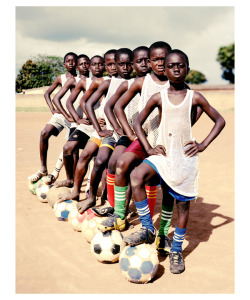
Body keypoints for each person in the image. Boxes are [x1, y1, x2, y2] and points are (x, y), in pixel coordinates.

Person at [122, 49, 226, 274]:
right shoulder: (158, 97)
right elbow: (138, 122)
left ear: (187, 68)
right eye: (171, 66)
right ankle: (148, 229)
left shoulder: (194, 97)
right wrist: (148, 147)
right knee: (136, 176)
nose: (176, 69)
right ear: (165, 70)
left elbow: (219, 120)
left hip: (184, 159)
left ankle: (177, 251)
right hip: (163, 156)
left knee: (182, 206)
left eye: (181, 65)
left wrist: (203, 144)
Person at [97, 41, 172, 232]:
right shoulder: (141, 82)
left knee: (158, 182)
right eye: (156, 59)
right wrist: (128, 133)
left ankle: (160, 231)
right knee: (122, 163)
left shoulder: (177, 84)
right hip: (145, 138)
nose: (160, 63)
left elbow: (193, 109)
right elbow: (116, 106)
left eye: (163, 59)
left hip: (167, 143)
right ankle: (119, 215)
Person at [57, 48, 133, 213]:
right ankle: (79, 192)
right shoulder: (106, 83)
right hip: (107, 131)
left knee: (105, 162)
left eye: (116, 63)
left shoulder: (134, 83)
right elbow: (87, 103)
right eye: (111, 64)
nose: (113, 67)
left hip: (122, 134)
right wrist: (97, 127)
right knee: (86, 155)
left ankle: (109, 201)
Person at [92, 46, 152, 218]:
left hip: (150, 136)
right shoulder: (130, 84)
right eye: (139, 61)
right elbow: (113, 106)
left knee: (136, 172)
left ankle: (126, 209)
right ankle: (114, 206)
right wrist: (123, 130)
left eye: (147, 60)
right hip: (131, 134)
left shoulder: (161, 83)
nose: (144, 64)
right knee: (113, 163)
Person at [53, 55, 105, 188]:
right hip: (88, 124)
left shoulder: (108, 81)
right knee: (68, 148)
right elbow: (69, 102)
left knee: (94, 156)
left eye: (99, 64)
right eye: (93, 64)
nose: (95, 67)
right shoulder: (84, 82)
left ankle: (92, 188)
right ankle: (70, 179)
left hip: (103, 125)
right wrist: (76, 118)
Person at [28, 52, 79, 182]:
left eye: (74, 61)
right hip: (62, 115)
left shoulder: (81, 79)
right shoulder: (61, 78)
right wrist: (52, 110)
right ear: (64, 64)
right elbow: (47, 94)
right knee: (44, 133)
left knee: (72, 149)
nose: (71, 63)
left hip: (74, 118)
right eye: (68, 61)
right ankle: (43, 169)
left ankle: (71, 180)